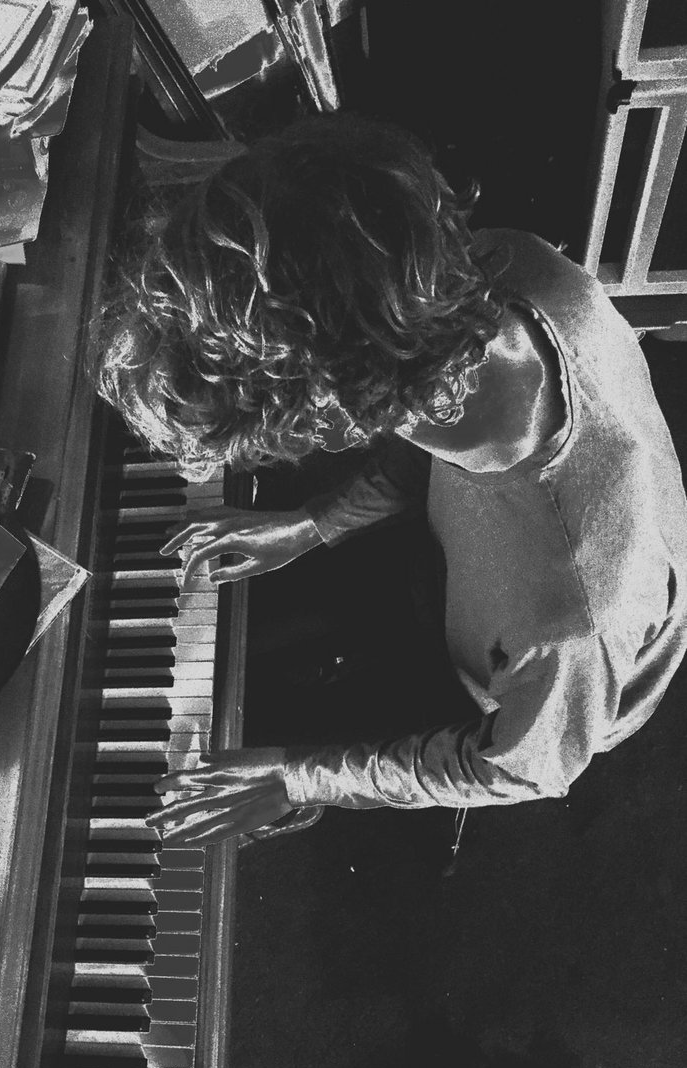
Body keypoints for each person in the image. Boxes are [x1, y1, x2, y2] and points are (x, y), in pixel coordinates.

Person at [98, 114, 687, 848]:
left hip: (528, 690)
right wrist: (312, 525)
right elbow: (419, 420)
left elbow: (521, 769)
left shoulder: (572, 620)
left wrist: (299, 779)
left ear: (339, 425)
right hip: (471, 577)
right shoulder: (496, 268)